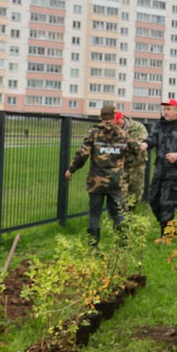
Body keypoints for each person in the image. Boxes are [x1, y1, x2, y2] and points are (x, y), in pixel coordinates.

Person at [64, 103, 143, 247]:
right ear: (114, 117)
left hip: (96, 183)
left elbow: (82, 155)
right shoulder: (122, 134)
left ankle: (93, 246)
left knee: (94, 215)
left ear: (100, 117)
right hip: (115, 183)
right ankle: (122, 245)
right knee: (118, 215)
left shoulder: (94, 134)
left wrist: (71, 170)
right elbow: (137, 149)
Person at [144, 99, 177, 233]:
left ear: (176, 111)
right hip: (159, 171)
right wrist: (144, 145)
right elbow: (152, 139)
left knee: (167, 204)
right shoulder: (158, 125)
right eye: (164, 109)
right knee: (153, 200)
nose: (165, 112)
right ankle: (168, 226)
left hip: (174, 173)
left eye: (169, 109)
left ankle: (166, 235)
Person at [116, 111, 148, 210]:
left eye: (118, 122)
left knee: (136, 192)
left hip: (136, 165)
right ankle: (122, 217)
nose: (116, 124)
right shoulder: (113, 129)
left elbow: (140, 144)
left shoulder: (137, 127)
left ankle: (131, 213)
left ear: (122, 118)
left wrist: (126, 140)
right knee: (121, 194)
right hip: (121, 165)